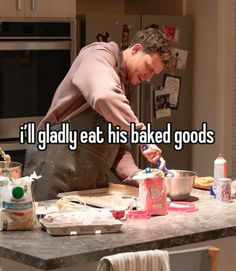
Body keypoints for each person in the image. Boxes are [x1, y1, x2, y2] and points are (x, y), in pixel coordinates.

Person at [24, 28, 174, 201]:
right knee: (44, 226)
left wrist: (137, 175)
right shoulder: (98, 54)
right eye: (149, 67)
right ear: (136, 50)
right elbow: (103, 96)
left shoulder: (124, 88)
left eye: (154, 74)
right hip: (54, 170)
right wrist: (142, 136)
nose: (148, 78)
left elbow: (116, 146)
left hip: (87, 182)